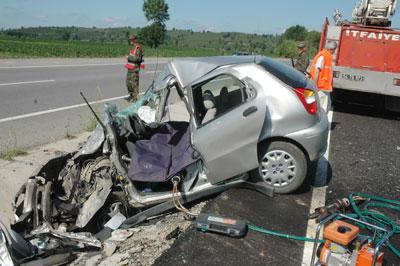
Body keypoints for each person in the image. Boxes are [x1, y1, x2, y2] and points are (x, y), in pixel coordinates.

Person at [309, 41, 337, 112]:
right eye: (334, 50)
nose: (334, 52)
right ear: (331, 49)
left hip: (324, 87)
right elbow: (316, 71)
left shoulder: (325, 56)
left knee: (326, 106)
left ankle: (321, 121)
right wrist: (315, 86)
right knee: (322, 109)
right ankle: (321, 122)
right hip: (321, 87)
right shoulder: (323, 56)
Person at [125, 35, 143, 102]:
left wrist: (128, 57)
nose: (130, 41)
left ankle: (135, 99)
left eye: (132, 40)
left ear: (135, 40)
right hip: (130, 68)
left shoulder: (138, 48)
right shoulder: (133, 48)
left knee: (134, 85)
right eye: (130, 40)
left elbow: (138, 59)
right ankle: (131, 96)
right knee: (128, 84)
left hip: (134, 69)